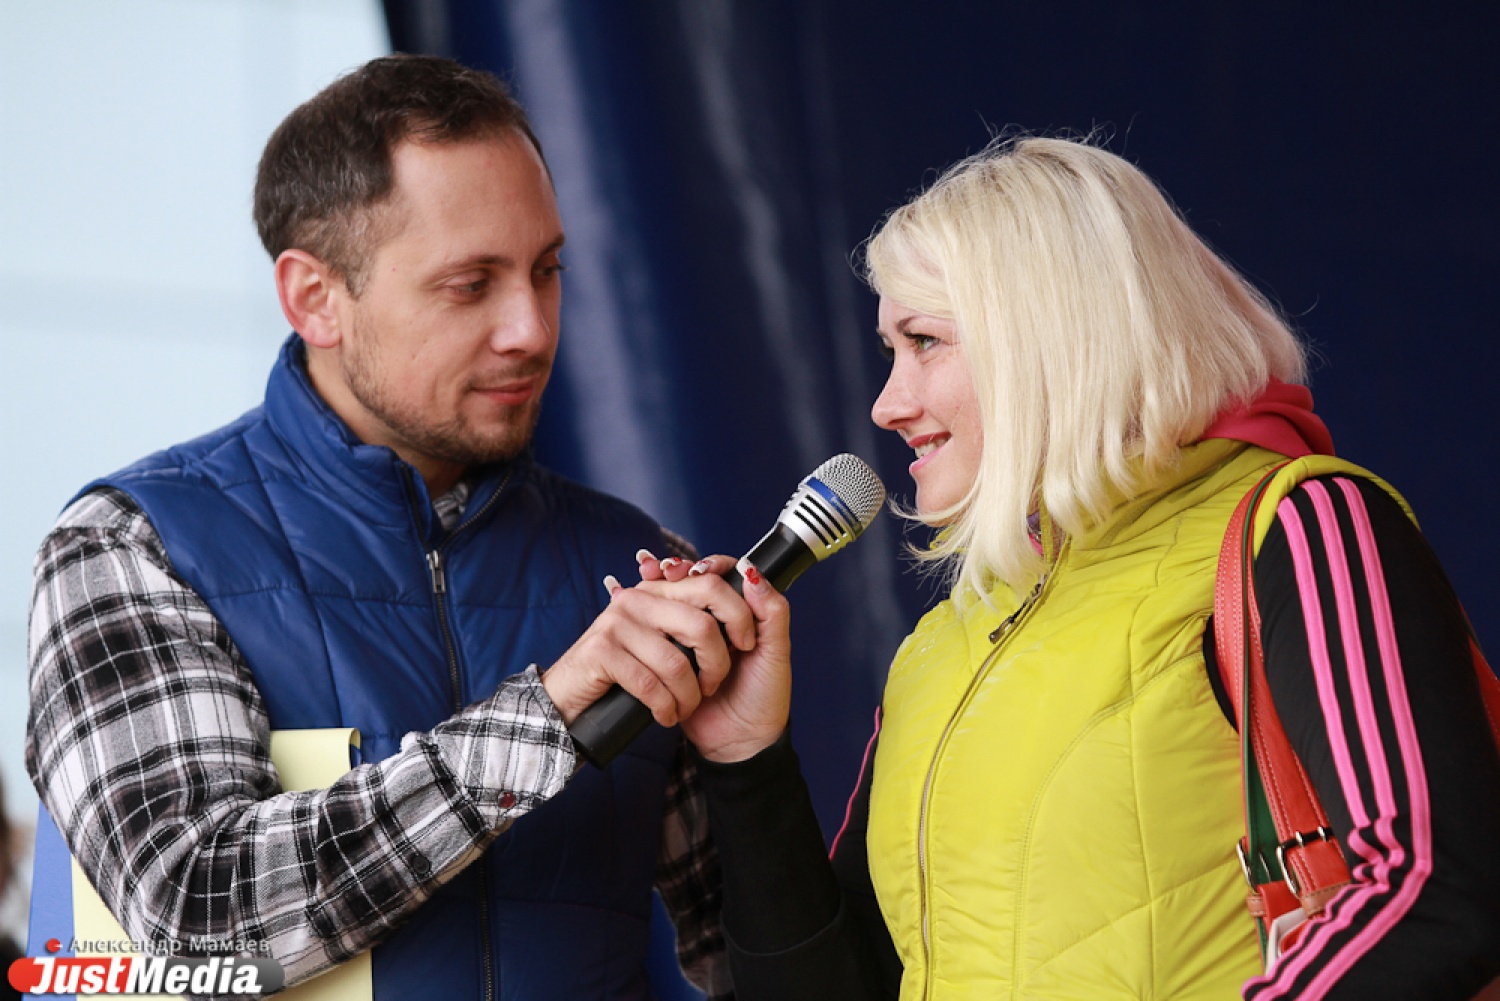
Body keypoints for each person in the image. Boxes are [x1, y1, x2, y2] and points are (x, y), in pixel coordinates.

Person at [642, 137, 1500, 999]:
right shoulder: (943, 647)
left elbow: (1431, 888)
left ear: (1052, 338)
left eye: (925, 340)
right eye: (888, 350)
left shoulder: (1300, 526)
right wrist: (747, 761)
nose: (887, 404)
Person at [25, 53, 775, 999]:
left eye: (546, 270)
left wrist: (756, 768)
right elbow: (193, 920)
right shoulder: (132, 547)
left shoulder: (635, 564)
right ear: (314, 298)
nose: (532, 329)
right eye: (470, 283)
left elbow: (762, 968)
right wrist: (547, 718)